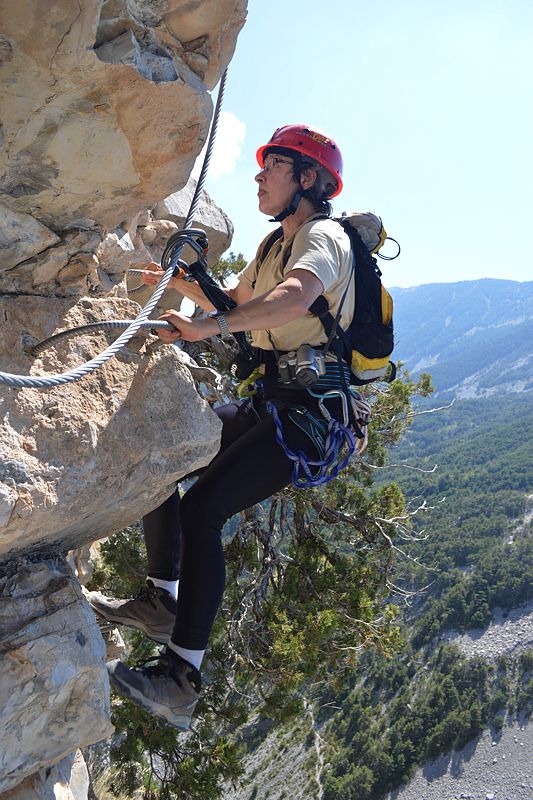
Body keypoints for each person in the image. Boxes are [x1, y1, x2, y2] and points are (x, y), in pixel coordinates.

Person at [88, 124, 356, 731]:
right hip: (276, 401)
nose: (259, 175)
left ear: (308, 180)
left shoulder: (325, 238)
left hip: (313, 416)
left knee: (203, 509)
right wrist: (178, 278)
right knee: (168, 460)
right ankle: (162, 601)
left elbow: (291, 300)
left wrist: (210, 327)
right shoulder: (270, 247)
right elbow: (233, 301)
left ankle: (181, 678)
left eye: (274, 166)